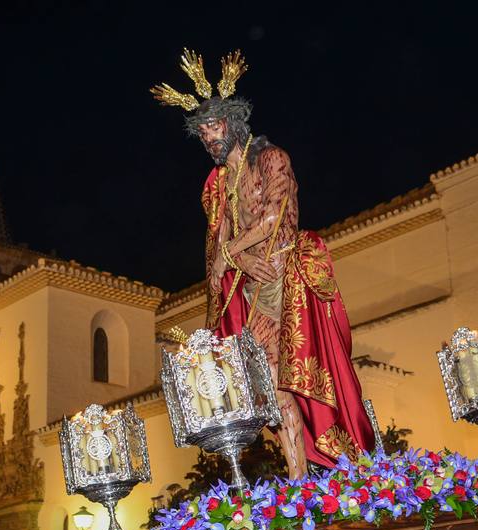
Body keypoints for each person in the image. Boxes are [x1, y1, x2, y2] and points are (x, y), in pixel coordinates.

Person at [151, 49, 374, 478]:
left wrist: (234, 254)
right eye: (202, 133)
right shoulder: (216, 183)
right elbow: (217, 239)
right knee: (266, 389)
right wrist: (228, 261)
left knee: (288, 382)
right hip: (247, 289)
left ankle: (311, 472)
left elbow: (275, 217)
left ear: (233, 123)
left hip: (283, 278)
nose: (209, 139)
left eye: (214, 128)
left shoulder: (272, 159)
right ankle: (297, 474)